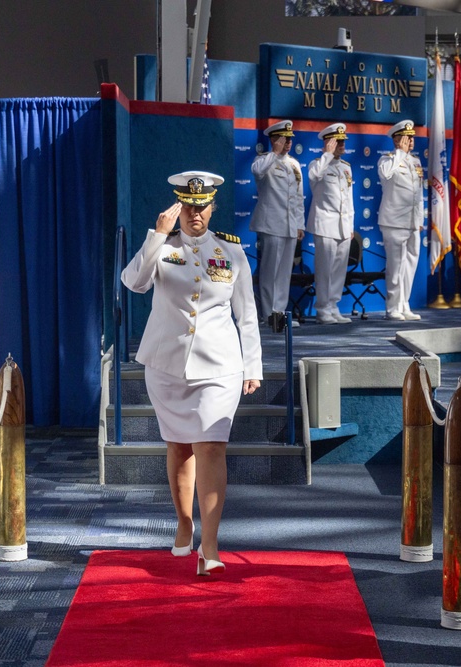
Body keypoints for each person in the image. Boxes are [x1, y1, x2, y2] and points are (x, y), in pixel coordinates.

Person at [121, 171, 262, 576]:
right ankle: (184, 523)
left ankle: (211, 543)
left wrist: (252, 366)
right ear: (177, 206)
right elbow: (133, 283)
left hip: (219, 366)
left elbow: (247, 315)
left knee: (212, 447)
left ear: (212, 206)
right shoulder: (162, 248)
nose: (195, 213)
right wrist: (155, 235)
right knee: (180, 447)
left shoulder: (232, 252)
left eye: (201, 206)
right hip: (167, 365)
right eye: (187, 205)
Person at [250, 120, 305, 332]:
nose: (288, 143)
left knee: (283, 272)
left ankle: (280, 313)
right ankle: (268, 313)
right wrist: (274, 151)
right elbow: (257, 171)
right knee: (269, 271)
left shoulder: (294, 164)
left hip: (290, 225)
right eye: (284, 139)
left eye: (290, 139)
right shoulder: (264, 160)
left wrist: (299, 224)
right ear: (273, 139)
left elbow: (298, 198)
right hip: (271, 223)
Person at [307, 122, 354, 324]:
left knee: (338, 270)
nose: (342, 145)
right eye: (338, 141)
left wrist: (351, 225)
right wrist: (326, 155)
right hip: (325, 224)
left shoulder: (346, 168)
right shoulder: (317, 165)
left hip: (343, 225)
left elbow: (349, 198)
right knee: (325, 269)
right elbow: (313, 176)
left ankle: (333, 305)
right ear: (328, 143)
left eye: (343, 141)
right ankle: (322, 308)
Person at [377, 119, 424, 321]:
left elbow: (418, 193)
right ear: (397, 140)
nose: (411, 140)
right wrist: (399, 153)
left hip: (412, 221)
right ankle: (392, 307)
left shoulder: (416, 162)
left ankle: (404, 303)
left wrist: (420, 218)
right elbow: (386, 175)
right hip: (394, 221)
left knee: (410, 264)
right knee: (395, 266)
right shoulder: (387, 160)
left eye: (412, 137)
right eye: (407, 137)